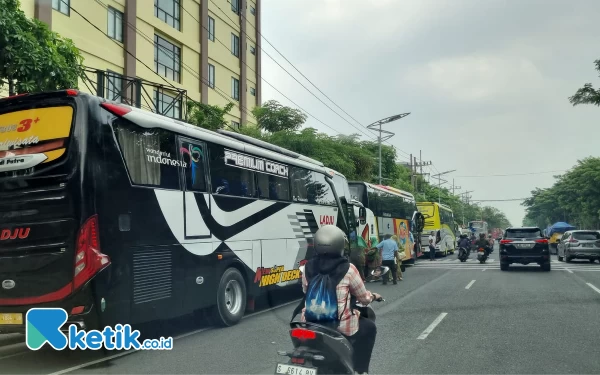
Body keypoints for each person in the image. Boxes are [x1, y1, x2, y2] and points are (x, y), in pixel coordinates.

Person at [300, 225, 381, 375]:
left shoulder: (307, 267)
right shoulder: (348, 269)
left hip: (309, 323)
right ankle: (360, 371)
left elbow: (305, 291)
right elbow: (363, 298)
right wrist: (373, 296)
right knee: (369, 328)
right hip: (340, 326)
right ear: (340, 245)